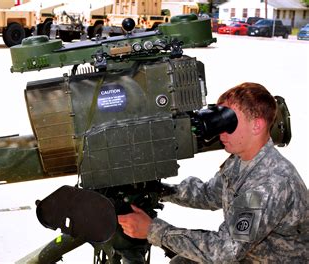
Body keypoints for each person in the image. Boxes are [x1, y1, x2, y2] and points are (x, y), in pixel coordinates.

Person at [118, 82, 308, 263]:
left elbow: (225, 251)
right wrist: (160, 190)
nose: (221, 133)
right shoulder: (241, 160)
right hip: (251, 253)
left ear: (256, 126)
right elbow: (209, 194)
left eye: (228, 123)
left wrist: (153, 230)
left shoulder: (269, 183)